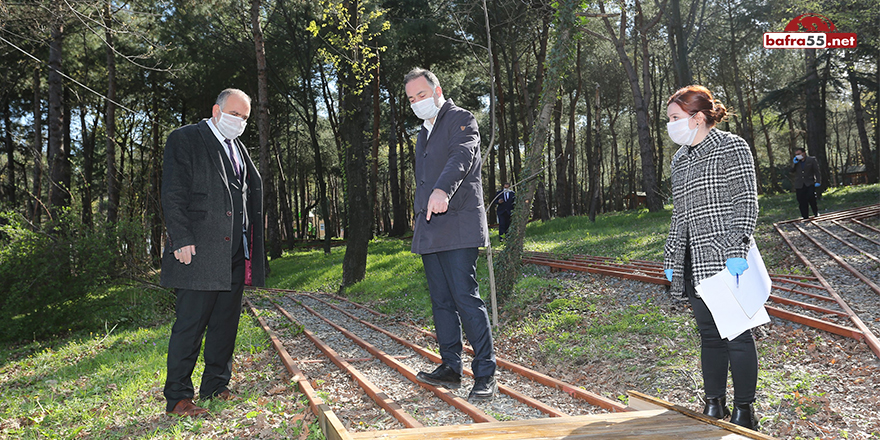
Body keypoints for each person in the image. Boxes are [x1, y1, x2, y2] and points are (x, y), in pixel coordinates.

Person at [160, 88, 265, 416]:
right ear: (216, 111)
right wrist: (180, 238)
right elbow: (173, 191)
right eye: (235, 114)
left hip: (233, 252)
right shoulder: (187, 138)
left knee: (224, 323)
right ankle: (178, 397)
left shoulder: (238, 148)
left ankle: (216, 386)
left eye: (245, 117)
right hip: (197, 250)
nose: (239, 122)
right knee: (190, 325)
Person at [662, 85, 760, 431]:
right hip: (693, 260)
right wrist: (672, 256)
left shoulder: (730, 147)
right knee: (709, 335)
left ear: (697, 117)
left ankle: (744, 410)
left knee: (736, 335)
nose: (670, 125)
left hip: (724, 259)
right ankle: (713, 402)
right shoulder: (680, 159)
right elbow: (680, 215)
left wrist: (736, 249)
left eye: (675, 118)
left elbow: (745, 202)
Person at [404, 68, 497, 401]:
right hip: (431, 227)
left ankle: (486, 373)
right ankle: (451, 367)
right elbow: (422, 180)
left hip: (458, 223)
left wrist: (443, 190)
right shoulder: (422, 133)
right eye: (412, 99)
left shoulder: (461, 118)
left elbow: (462, 156)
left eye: (422, 95)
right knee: (441, 301)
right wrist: (418, 214)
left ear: (437, 90)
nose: (417, 102)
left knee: (464, 297)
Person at [790, 147, 821, 219]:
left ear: (804, 153)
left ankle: (815, 212)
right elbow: (791, 171)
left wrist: (818, 181)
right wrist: (794, 164)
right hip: (799, 184)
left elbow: (817, 171)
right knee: (801, 200)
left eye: (799, 154)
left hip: (809, 183)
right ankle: (805, 216)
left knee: (811, 198)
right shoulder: (796, 162)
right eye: (796, 154)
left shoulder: (811, 160)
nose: (798, 156)